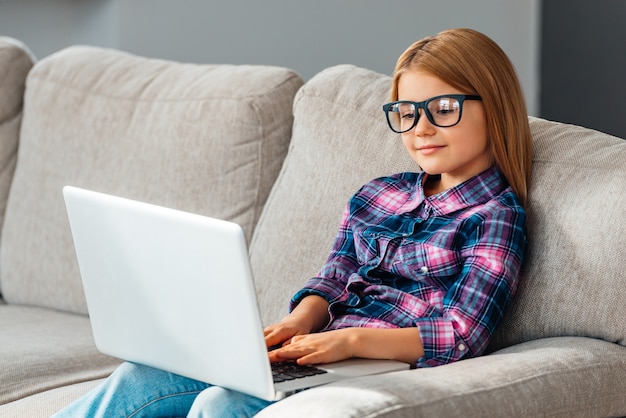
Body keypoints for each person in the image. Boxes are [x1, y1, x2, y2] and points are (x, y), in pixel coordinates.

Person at [53, 27, 531, 418]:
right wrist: (299, 321)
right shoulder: (378, 194)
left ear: (494, 105)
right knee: (141, 377)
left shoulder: (495, 216)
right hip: (320, 348)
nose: (421, 129)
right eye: (406, 113)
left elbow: (463, 332)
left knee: (223, 405)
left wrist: (350, 341)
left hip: (380, 364)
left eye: (443, 110)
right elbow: (335, 277)